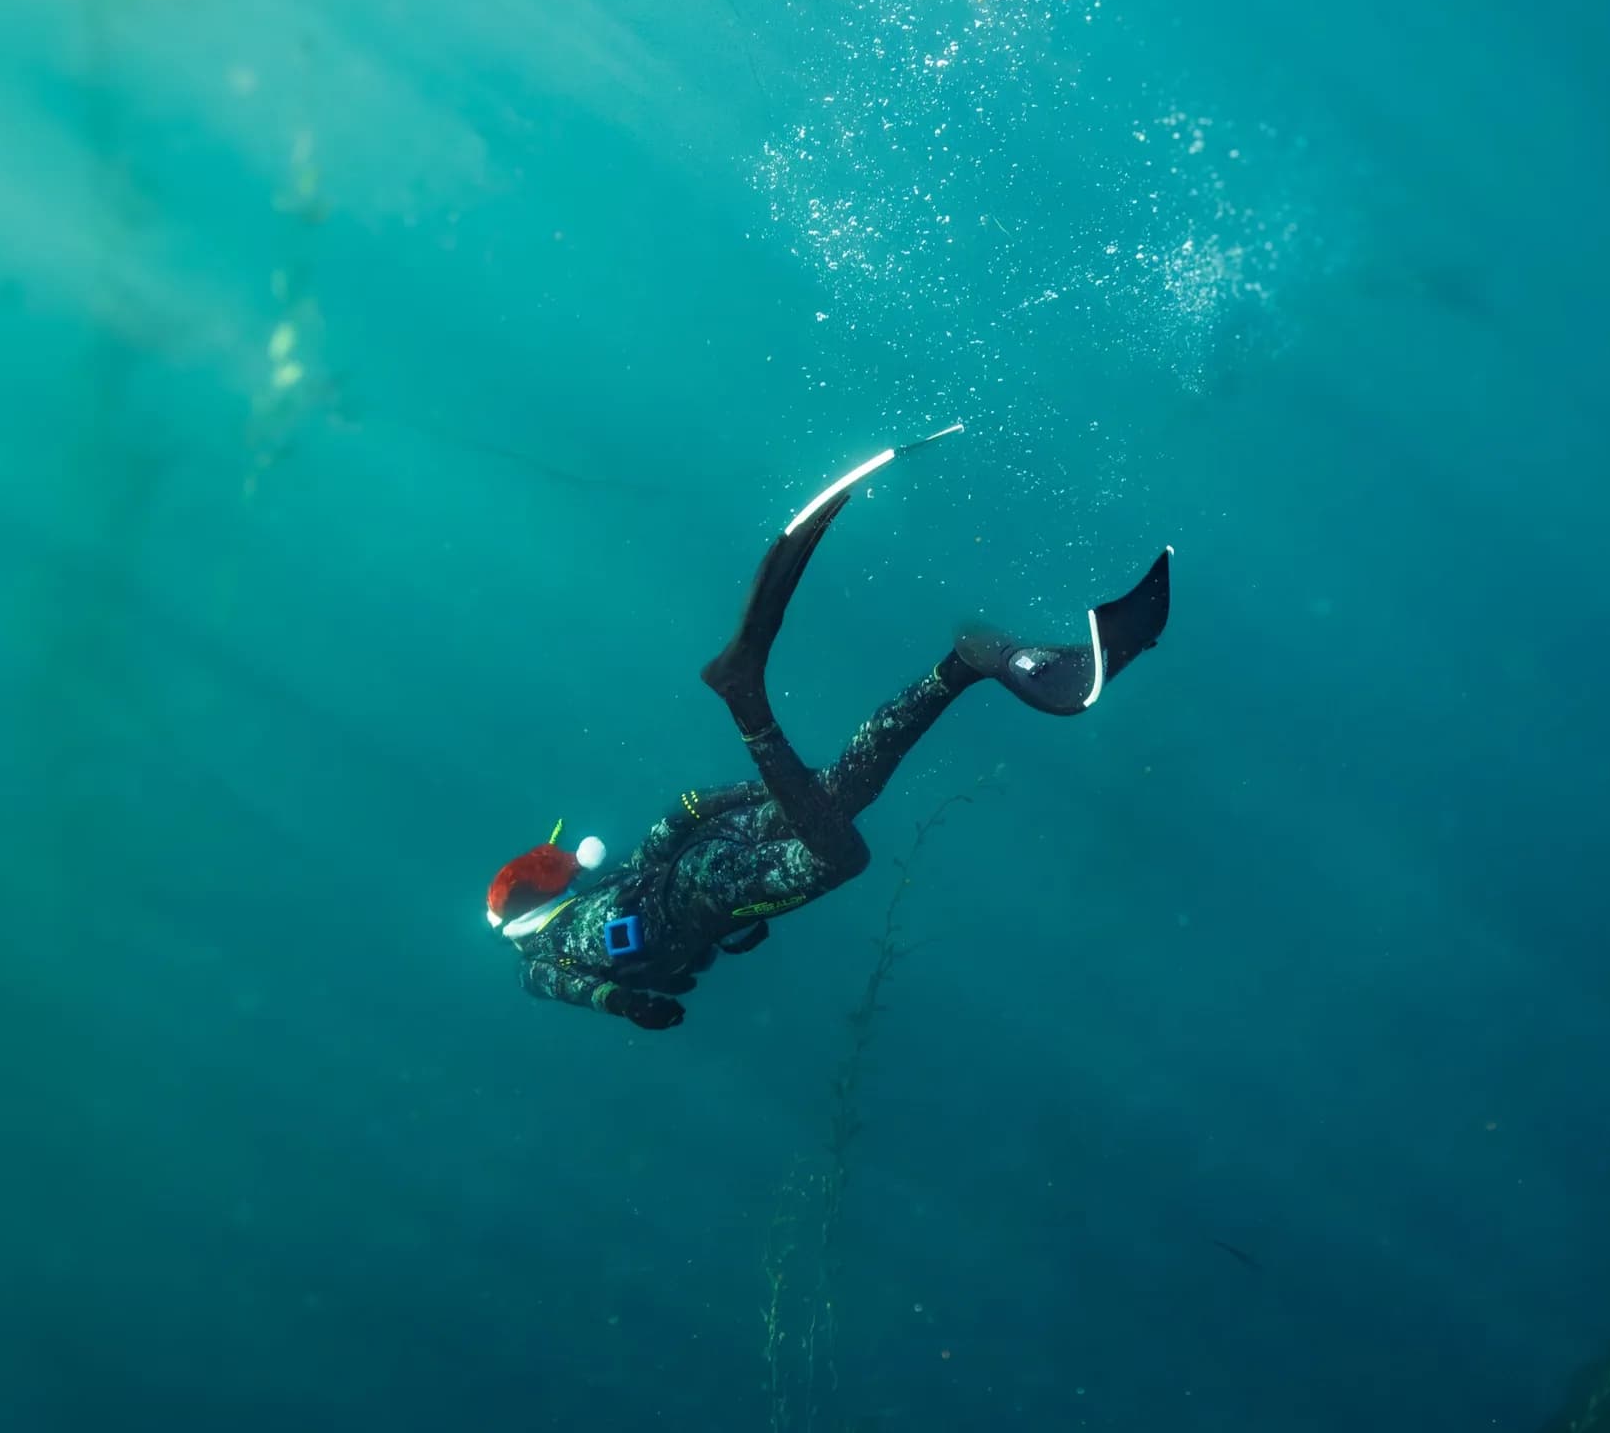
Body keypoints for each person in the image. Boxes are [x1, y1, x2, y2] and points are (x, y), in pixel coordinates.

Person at [485, 434, 1172, 1029]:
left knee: (841, 855)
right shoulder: (571, 925)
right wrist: (763, 799)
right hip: (708, 868)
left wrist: (625, 1005)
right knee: (841, 795)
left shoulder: (542, 958)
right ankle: (964, 666)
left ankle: (744, 698)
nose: (563, 871)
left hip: (711, 882)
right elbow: (675, 823)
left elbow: (584, 982)